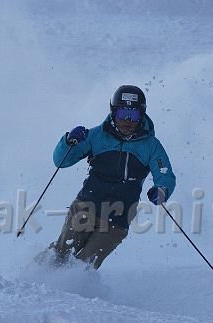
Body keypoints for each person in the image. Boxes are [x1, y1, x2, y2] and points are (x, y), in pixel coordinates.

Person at [45, 85, 176, 269]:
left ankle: (71, 287)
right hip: (86, 206)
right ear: (113, 112)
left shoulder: (151, 146)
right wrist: (68, 142)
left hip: (118, 218)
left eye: (134, 115)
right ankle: (32, 276)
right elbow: (61, 161)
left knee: (83, 265)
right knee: (61, 253)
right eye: (123, 114)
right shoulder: (96, 136)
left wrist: (161, 190)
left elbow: (164, 174)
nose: (127, 121)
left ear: (142, 116)